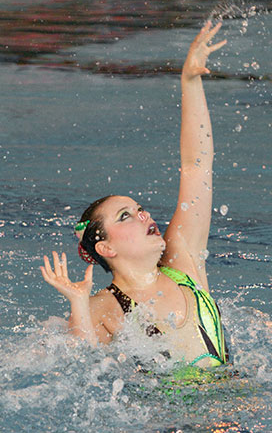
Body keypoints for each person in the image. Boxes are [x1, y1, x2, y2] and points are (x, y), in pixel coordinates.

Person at [40, 21, 230, 368]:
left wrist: (190, 81)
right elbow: (78, 366)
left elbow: (197, 165)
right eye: (125, 216)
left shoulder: (184, 261)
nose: (144, 215)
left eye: (139, 208)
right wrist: (78, 305)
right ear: (106, 248)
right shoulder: (105, 306)